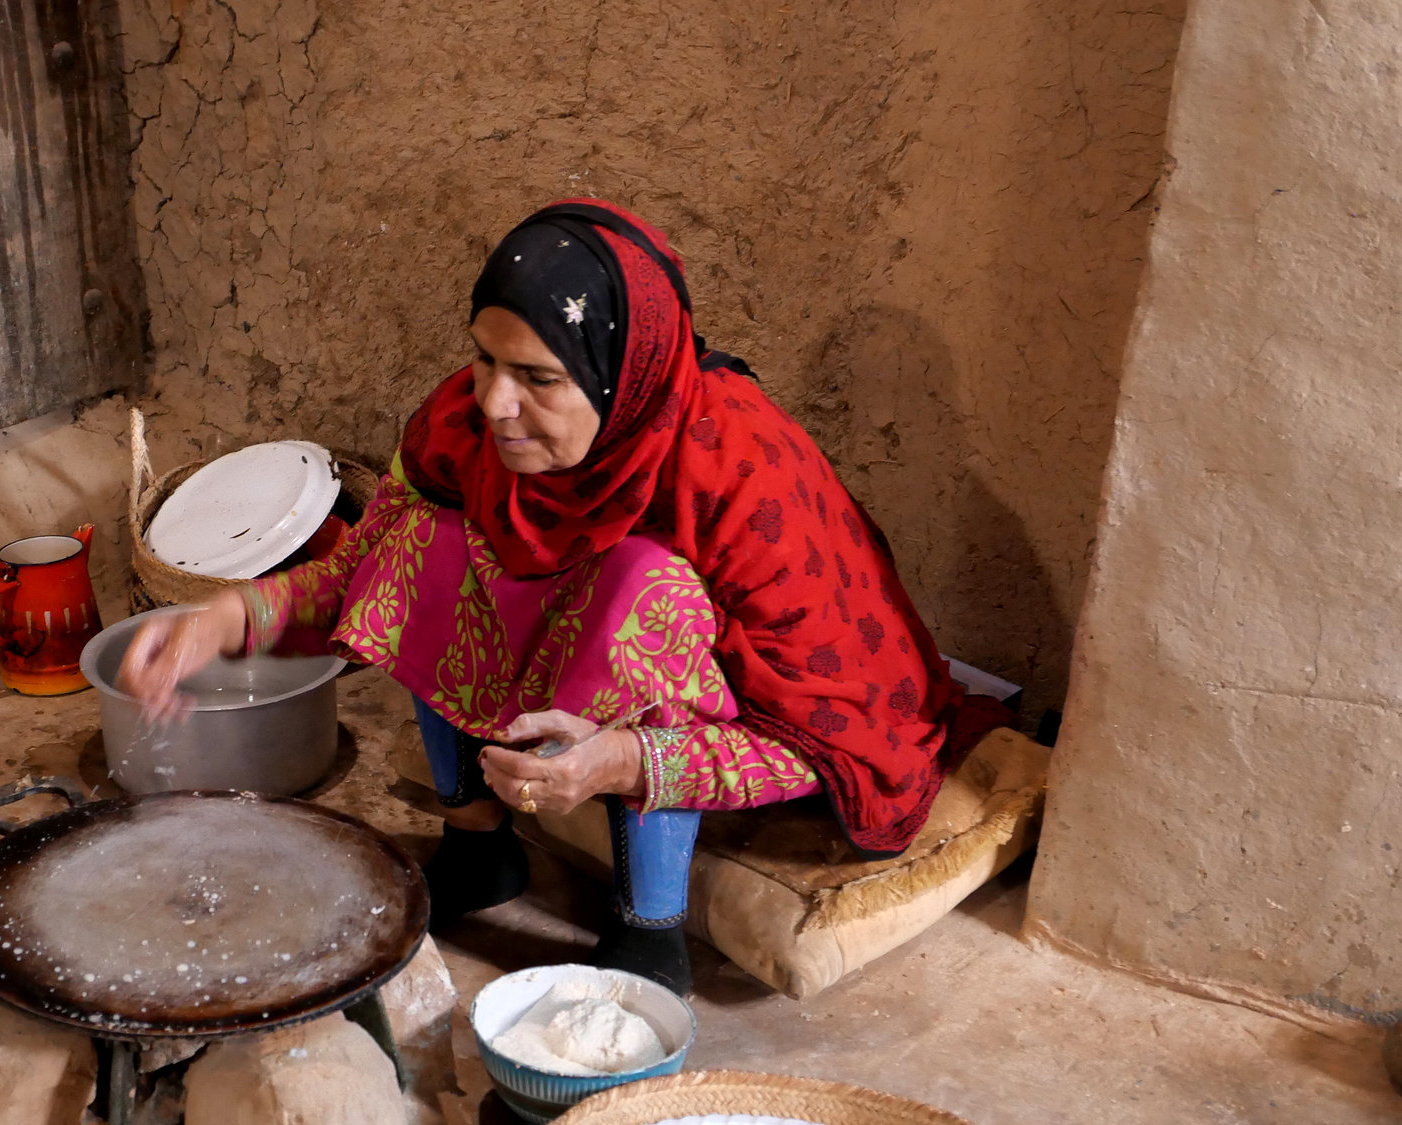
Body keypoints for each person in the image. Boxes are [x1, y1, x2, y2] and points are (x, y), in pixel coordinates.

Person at [118, 199, 1004, 994]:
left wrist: (621, 763)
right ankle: (479, 846)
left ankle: (647, 926)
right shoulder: (460, 426)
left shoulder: (741, 474)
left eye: (539, 377)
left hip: (719, 704)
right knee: (427, 537)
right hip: (567, 659)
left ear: (622, 373)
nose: (495, 402)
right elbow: (371, 578)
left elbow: (835, 732)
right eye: (484, 358)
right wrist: (228, 618)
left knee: (644, 588)